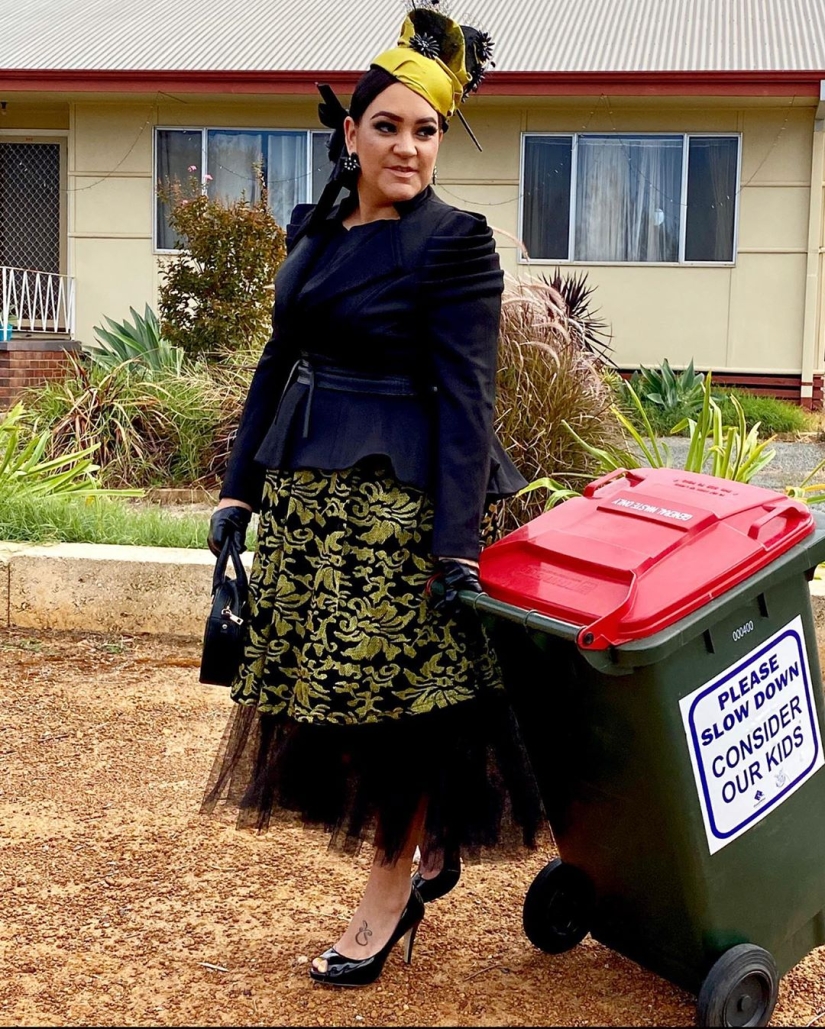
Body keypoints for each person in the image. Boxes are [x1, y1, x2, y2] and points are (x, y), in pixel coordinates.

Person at [202, 0, 543, 988]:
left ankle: (389, 895)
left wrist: (453, 546)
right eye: (387, 125)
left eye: (426, 130)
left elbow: (470, 400)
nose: (407, 147)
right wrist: (239, 491)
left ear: (442, 139)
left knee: (394, 719)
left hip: (398, 525)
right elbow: (280, 357)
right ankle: (425, 852)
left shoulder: (454, 243)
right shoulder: (317, 227)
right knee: (329, 712)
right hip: (310, 512)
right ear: (350, 133)